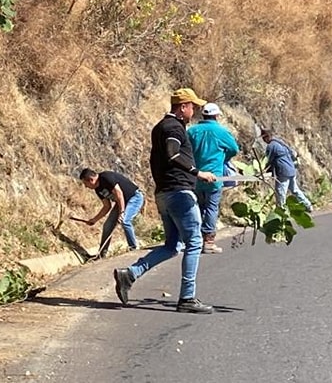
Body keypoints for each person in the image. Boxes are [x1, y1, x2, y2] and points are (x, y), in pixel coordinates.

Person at [113, 88, 217, 314]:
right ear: (183, 107)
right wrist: (197, 173)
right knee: (195, 243)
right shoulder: (173, 127)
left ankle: (130, 274)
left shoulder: (160, 127)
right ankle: (187, 298)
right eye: (192, 107)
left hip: (165, 194)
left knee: (172, 246)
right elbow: (172, 153)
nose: (194, 111)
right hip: (180, 193)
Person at [187, 103, 239, 254]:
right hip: (214, 176)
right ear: (216, 116)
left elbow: (186, 150)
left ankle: (195, 238)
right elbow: (233, 149)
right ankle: (208, 241)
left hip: (196, 175)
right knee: (211, 207)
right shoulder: (221, 131)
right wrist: (223, 158)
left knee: (198, 206)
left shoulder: (192, 131)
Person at [77, 168, 145, 258]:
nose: (86, 186)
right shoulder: (98, 189)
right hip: (121, 202)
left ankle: (134, 249)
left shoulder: (106, 177)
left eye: (86, 184)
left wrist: (122, 212)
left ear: (91, 180)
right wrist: (94, 220)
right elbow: (107, 206)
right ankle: (101, 255)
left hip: (134, 198)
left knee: (125, 221)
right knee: (108, 226)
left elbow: (119, 194)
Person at [260, 128, 313, 212]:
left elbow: (267, 160)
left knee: (280, 192)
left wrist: (262, 170)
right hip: (291, 169)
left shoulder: (271, 146)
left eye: (263, 138)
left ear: (266, 137)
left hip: (284, 171)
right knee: (295, 190)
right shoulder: (281, 143)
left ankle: (281, 210)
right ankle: (308, 205)